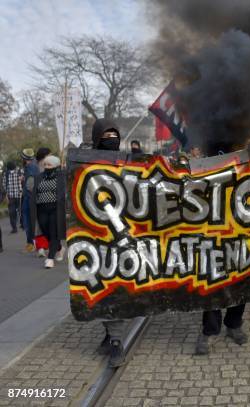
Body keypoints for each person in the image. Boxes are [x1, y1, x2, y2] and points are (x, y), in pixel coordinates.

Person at [87, 118, 130, 367]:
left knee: (115, 289)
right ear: (97, 137)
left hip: (120, 239)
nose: (112, 139)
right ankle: (109, 333)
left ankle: (116, 341)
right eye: (106, 135)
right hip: (93, 238)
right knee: (100, 290)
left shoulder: (125, 162)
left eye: (115, 135)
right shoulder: (84, 164)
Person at [30, 155, 66, 269]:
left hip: (56, 208)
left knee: (54, 232)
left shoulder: (62, 177)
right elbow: (34, 192)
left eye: (49, 164)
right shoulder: (39, 177)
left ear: (56, 166)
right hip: (41, 208)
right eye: (45, 164)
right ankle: (59, 248)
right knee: (46, 233)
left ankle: (50, 259)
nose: (46, 166)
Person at [20, 148, 39, 253]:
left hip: (29, 197)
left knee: (28, 222)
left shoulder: (30, 167)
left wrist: (27, 190)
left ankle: (31, 244)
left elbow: (30, 183)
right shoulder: (34, 165)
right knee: (32, 222)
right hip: (33, 197)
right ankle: (33, 244)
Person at [3, 161, 22, 234]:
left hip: (18, 195)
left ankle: (21, 224)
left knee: (18, 211)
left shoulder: (19, 172)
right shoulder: (6, 174)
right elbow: (5, 186)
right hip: (12, 196)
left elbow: (23, 182)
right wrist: (6, 196)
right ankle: (14, 228)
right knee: (12, 212)